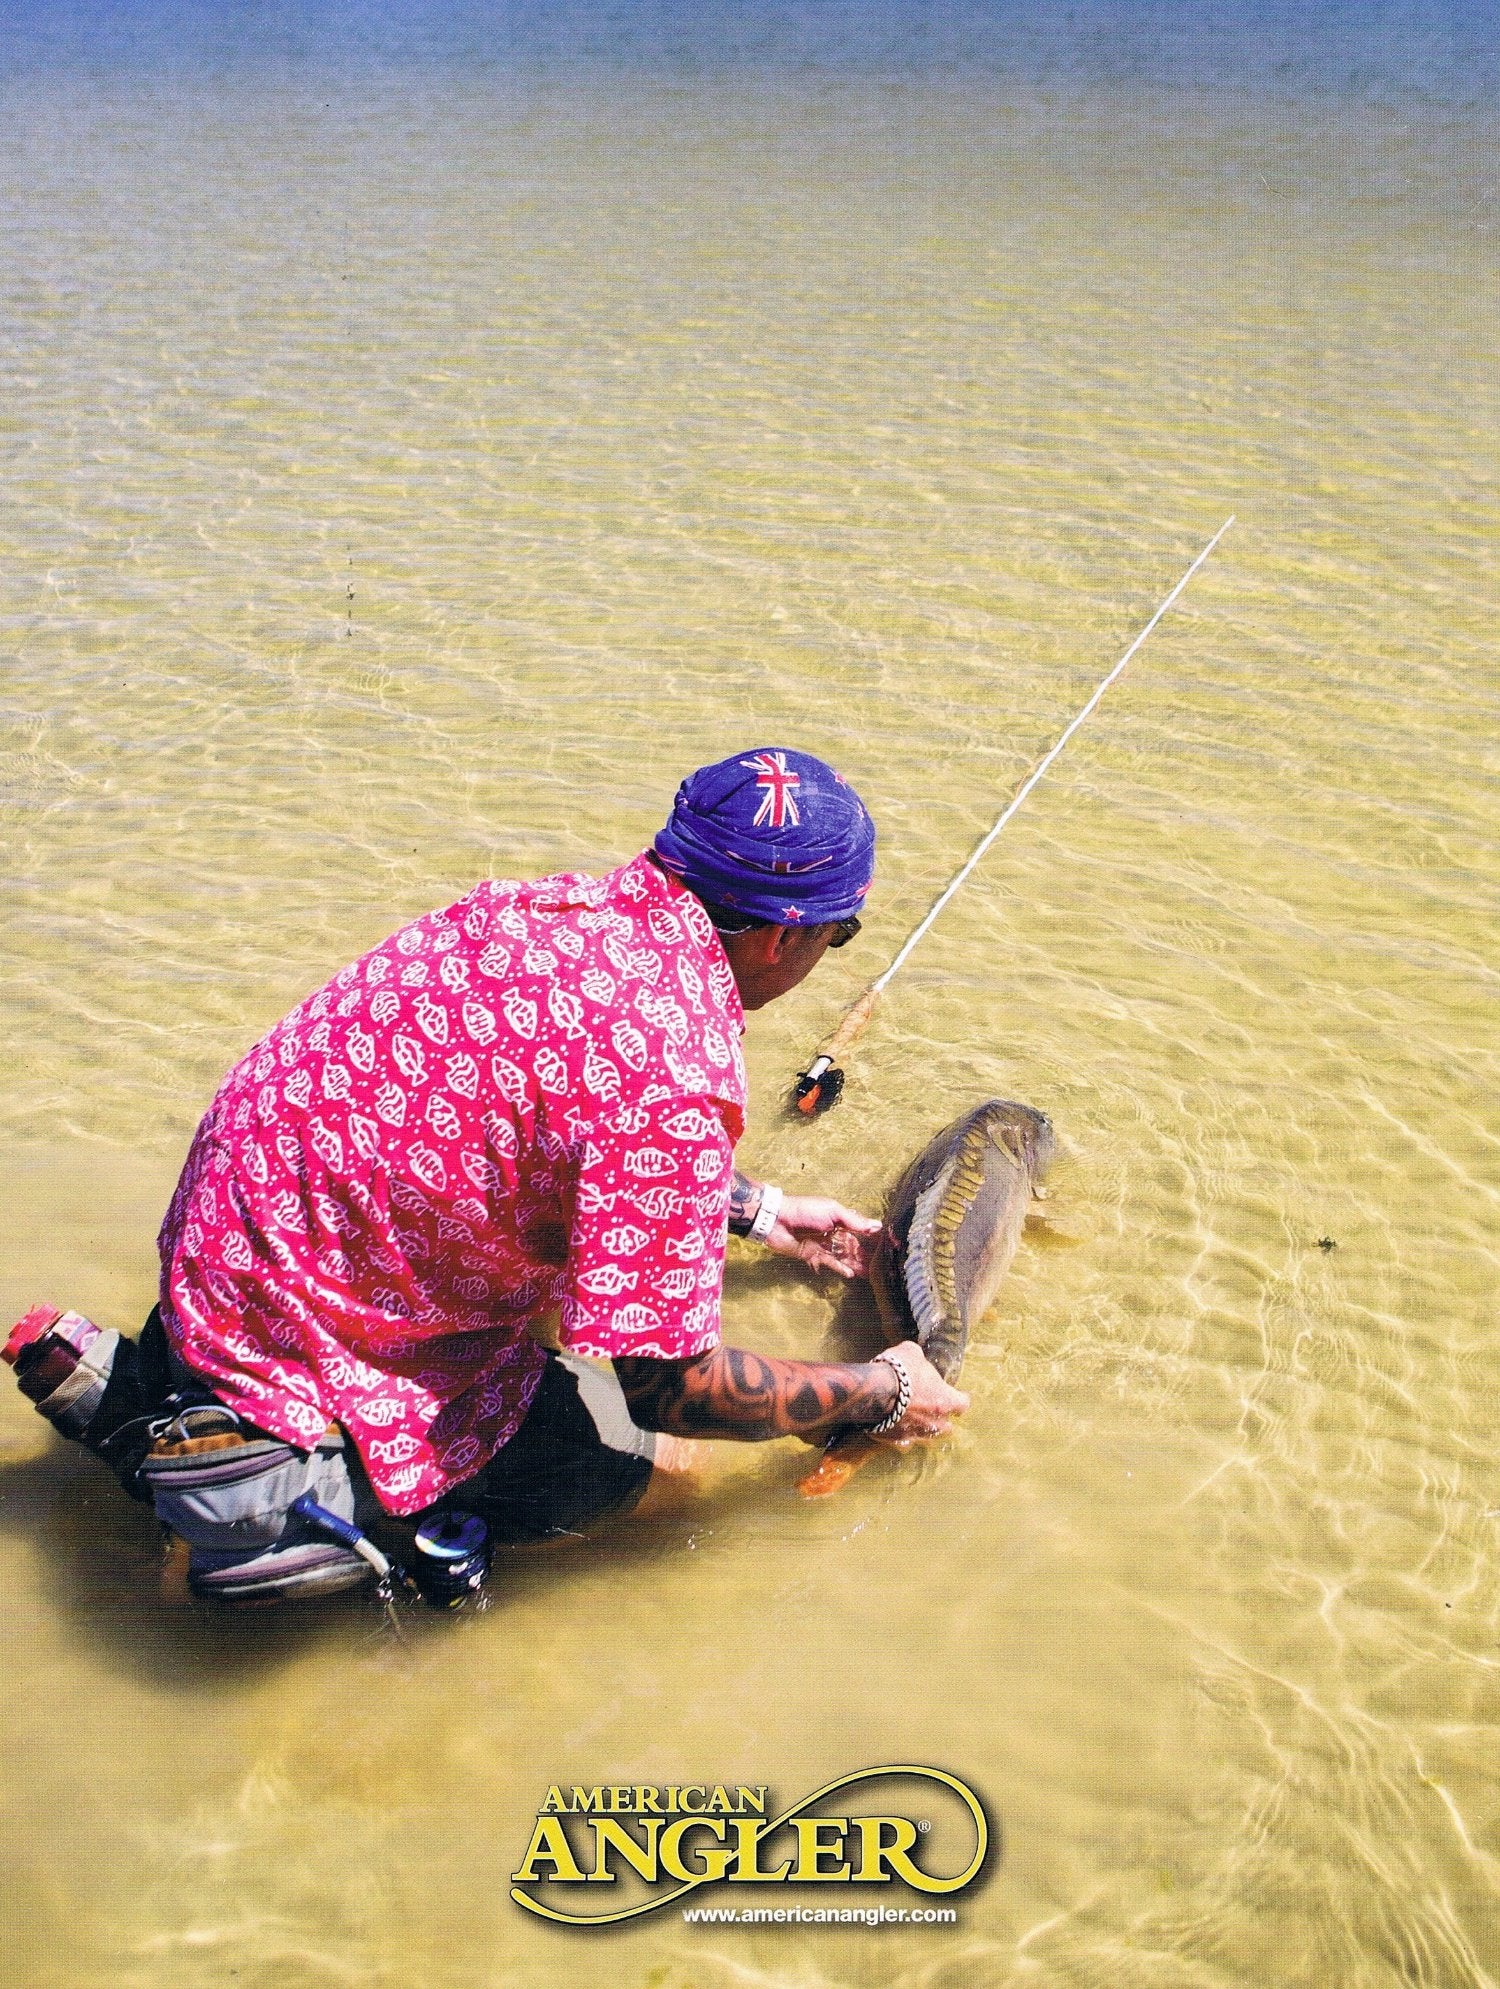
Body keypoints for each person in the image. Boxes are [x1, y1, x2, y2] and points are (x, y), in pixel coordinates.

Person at [6, 748, 967, 1604]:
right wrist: (878, 1390)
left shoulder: (538, 909)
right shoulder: (673, 1074)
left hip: (223, 1252)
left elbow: (526, 1116)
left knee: (557, 1315)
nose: (825, 955)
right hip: (307, 1341)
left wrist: (757, 1210)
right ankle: (253, 1500)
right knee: (673, 1473)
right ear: (778, 937)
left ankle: (165, 1395)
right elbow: (668, 1386)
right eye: (837, 935)